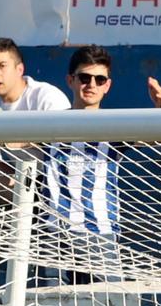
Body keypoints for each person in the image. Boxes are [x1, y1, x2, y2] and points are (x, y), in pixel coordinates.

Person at [47, 45, 124, 277]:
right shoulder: (47, 124)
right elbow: (14, 144)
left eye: (100, 79)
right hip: (55, 237)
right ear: (70, 80)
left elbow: (157, 142)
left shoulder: (119, 126)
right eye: (84, 77)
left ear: (107, 86)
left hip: (102, 235)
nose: (91, 84)